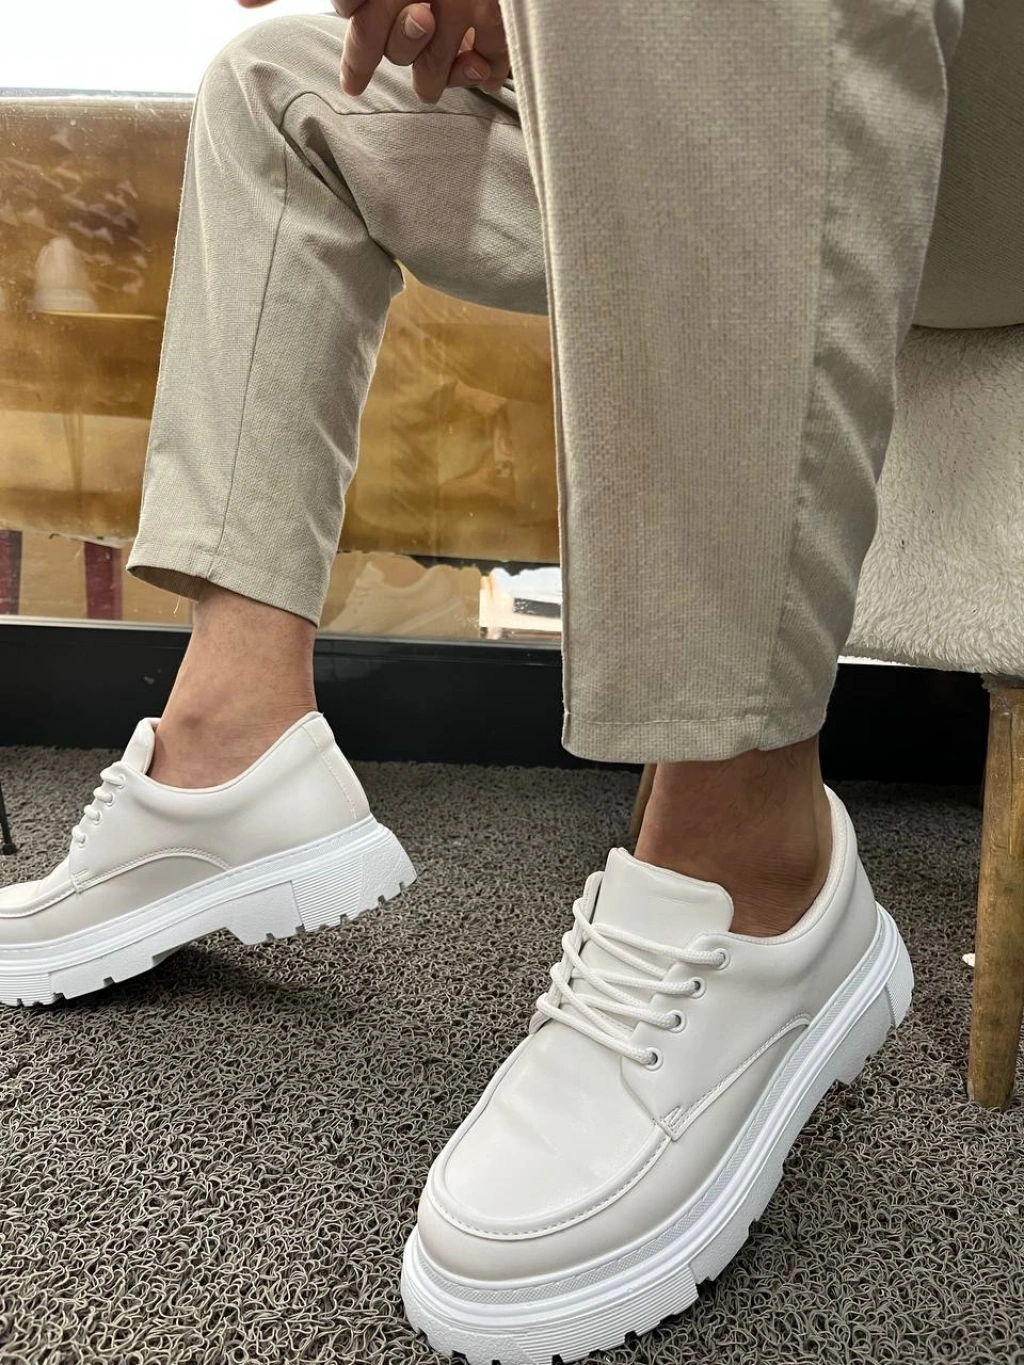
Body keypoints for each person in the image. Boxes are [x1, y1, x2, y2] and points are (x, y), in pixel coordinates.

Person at [0, 0, 965, 1357]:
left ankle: (755, 858)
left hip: (948, 124)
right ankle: (232, 743)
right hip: (697, 87)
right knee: (282, 88)